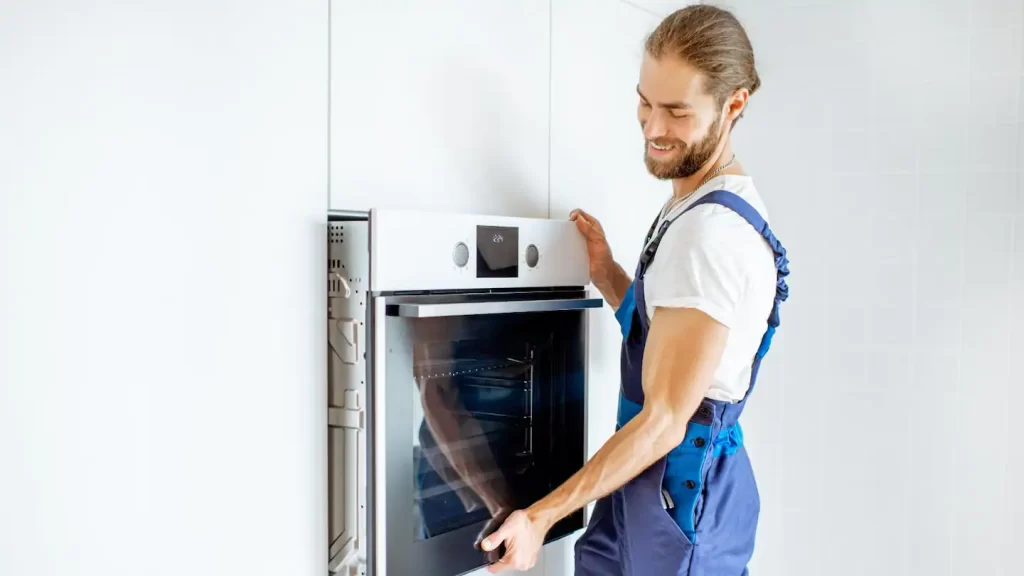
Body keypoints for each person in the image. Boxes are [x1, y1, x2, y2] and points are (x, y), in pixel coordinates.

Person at [479, 5, 790, 575]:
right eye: (645, 102)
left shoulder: (711, 234)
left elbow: (666, 418)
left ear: (734, 105)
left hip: (678, 492)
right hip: (652, 481)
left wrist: (542, 516)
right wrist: (611, 277)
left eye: (676, 111)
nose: (652, 128)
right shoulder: (698, 201)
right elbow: (675, 337)